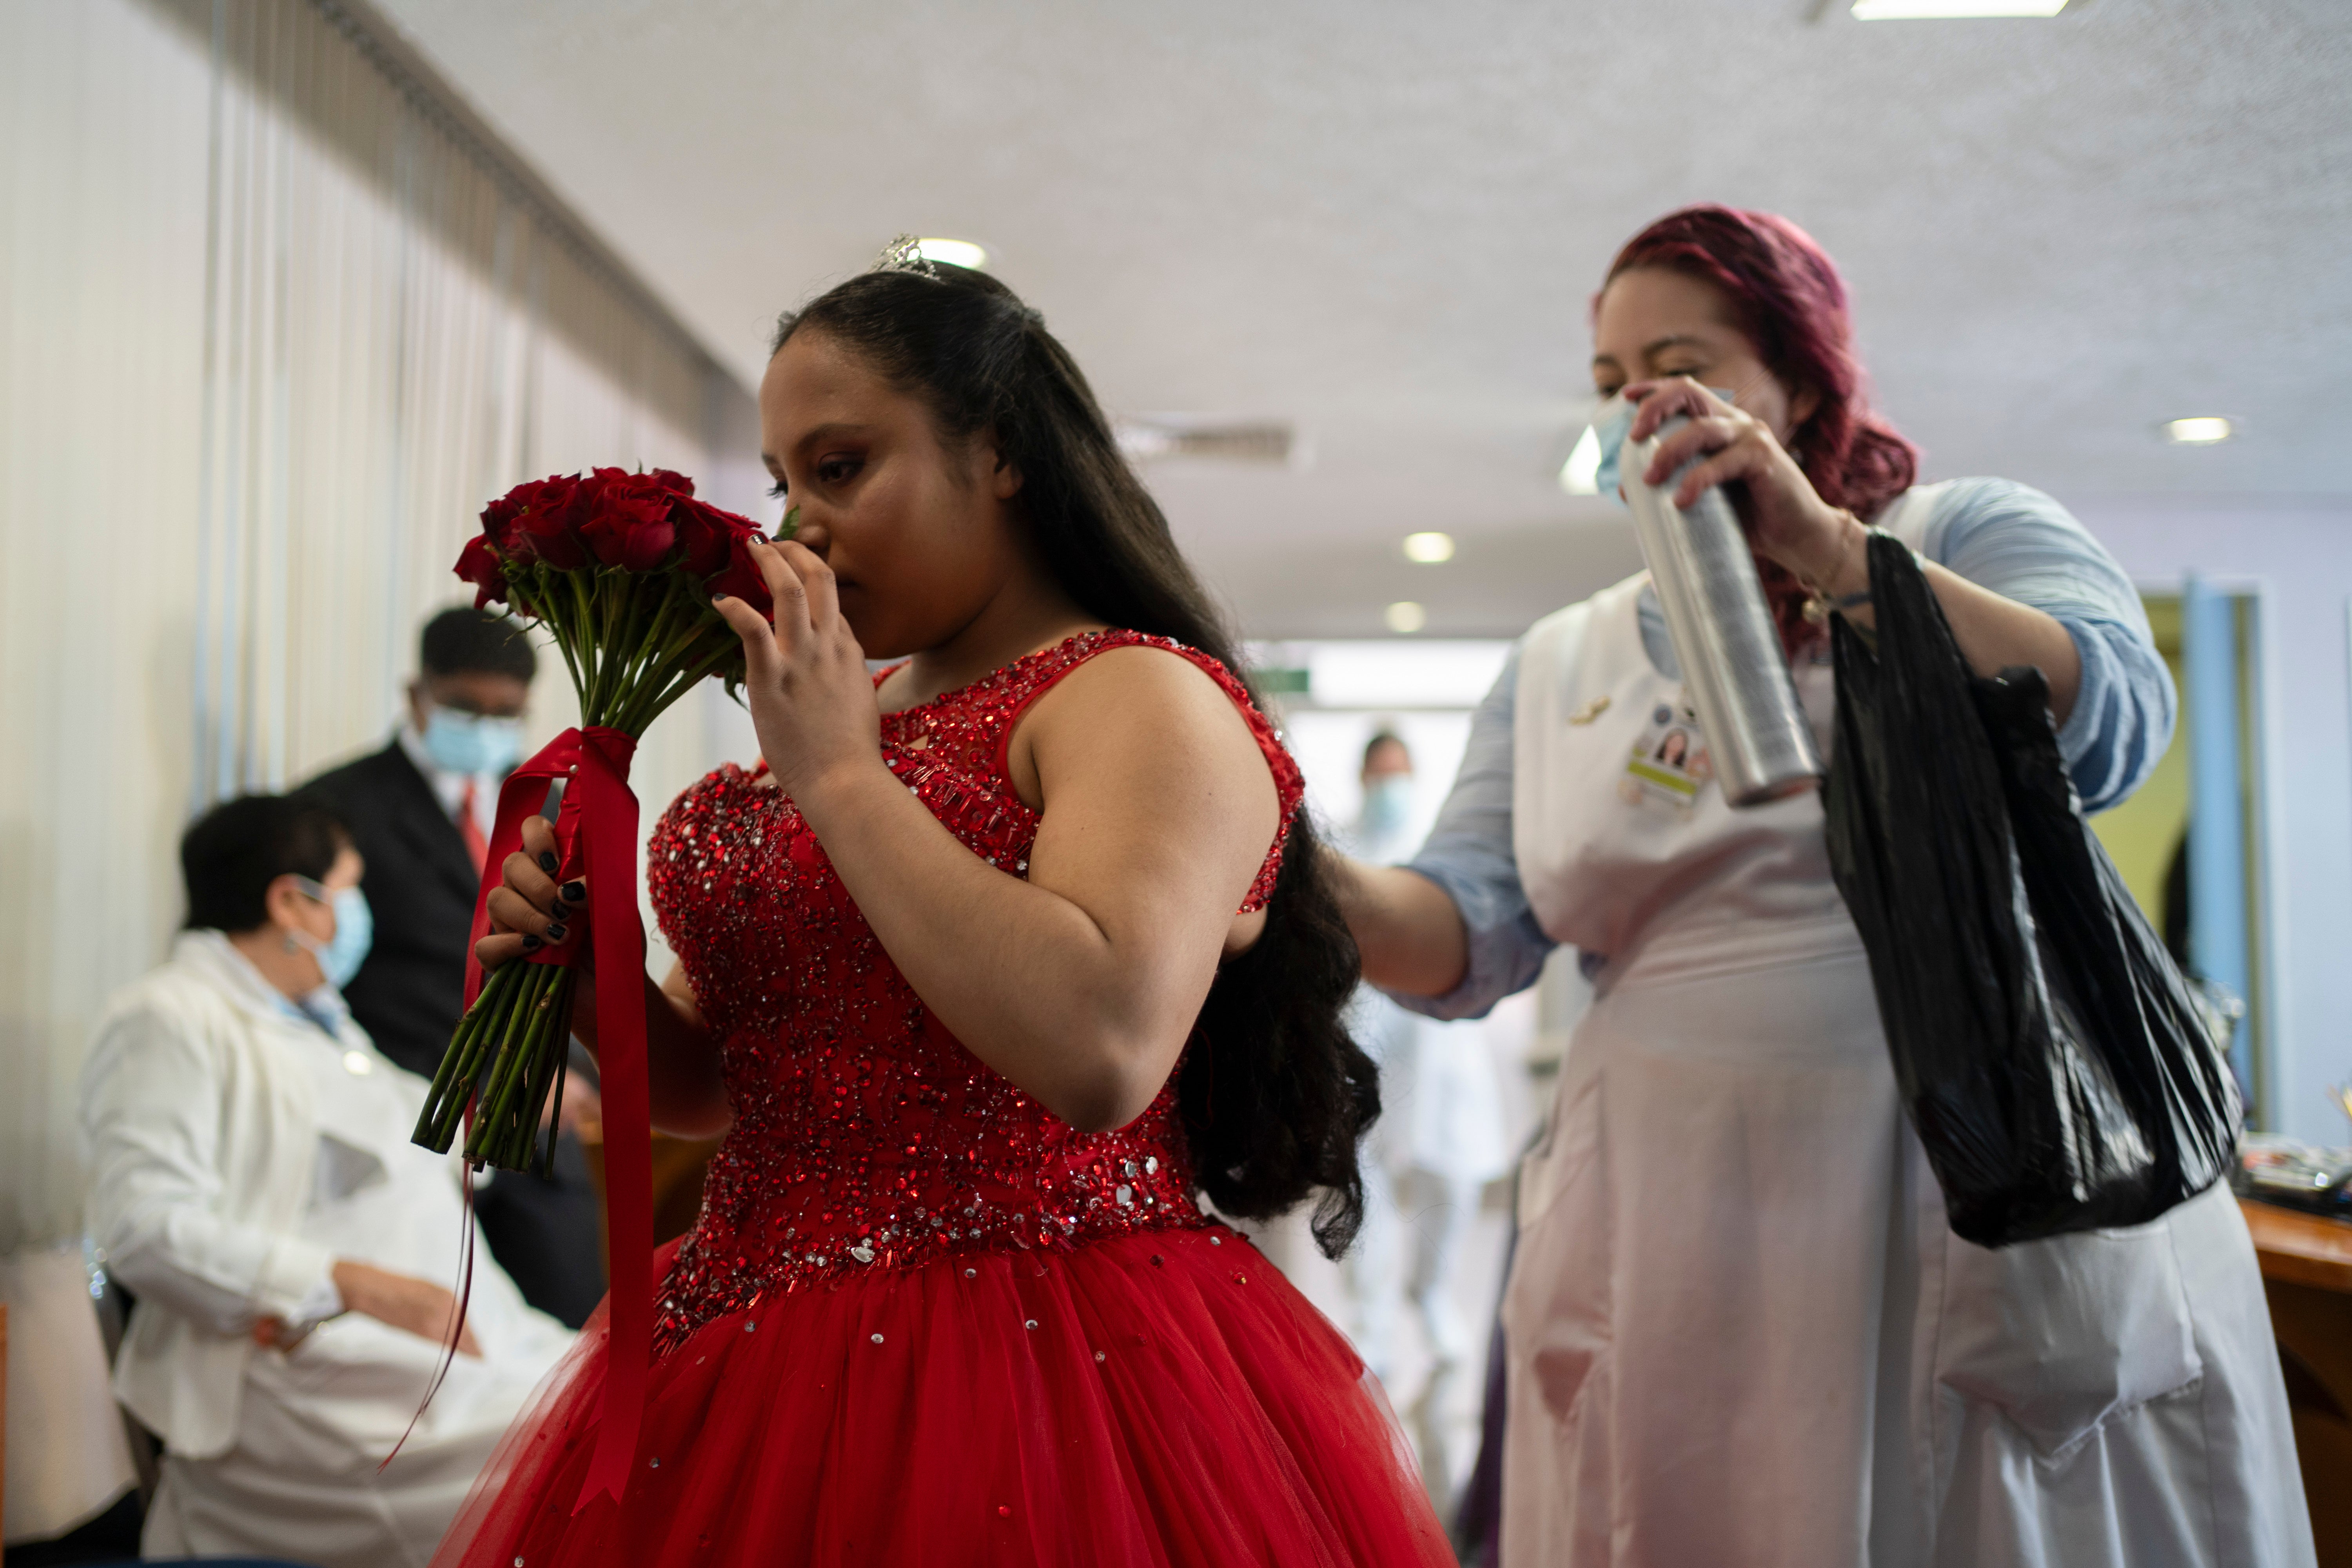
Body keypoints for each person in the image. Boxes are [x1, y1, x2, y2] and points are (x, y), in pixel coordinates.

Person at [430, 255, 1453, 1567]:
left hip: (1046, 1364)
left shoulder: (1135, 696)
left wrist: (843, 777)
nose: (798, 529)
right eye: (783, 483)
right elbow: (732, 1085)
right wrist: (593, 979)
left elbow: (1102, 1049)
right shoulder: (853, 711)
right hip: (745, 1343)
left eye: (843, 468)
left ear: (1005, 451)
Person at [1334, 205, 2312, 1567]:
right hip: (1669, 1195)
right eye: (1612, 386)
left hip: (1957, 1138)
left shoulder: (1958, 530)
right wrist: (1298, 866)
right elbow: (1468, 937)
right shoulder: (1565, 659)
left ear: (1799, 379)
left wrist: (1832, 554)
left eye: (1683, 365)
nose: (1640, 409)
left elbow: (2112, 718)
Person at [78, 794, 574, 1568]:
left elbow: (387, 1142)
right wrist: (355, 1282)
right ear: (290, 899)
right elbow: (142, 1225)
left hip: (457, 1343)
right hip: (317, 1379)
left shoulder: (321, 1018)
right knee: (595, 1458)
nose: (359, 912)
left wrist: (504, 1100)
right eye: (350, 886)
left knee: (654, 1405)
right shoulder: (171, 1016)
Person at [303, 606, 605, 1328]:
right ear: (419, 696)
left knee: (576, 1345)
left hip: (538, 1134)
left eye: (508, 714)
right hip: (413, 1131)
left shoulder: (550, 809)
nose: (488, 727)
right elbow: (320, 991)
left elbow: (561, 963)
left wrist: (577, 1073)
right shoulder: (336, 810)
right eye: (466, 708)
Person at [1338, 731, 1512, 1491]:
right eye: (1380, 774)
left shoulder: (1438, 844)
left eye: (1400, 772)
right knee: (1362, 1186)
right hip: (1369, 1044)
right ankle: (1373, 1322)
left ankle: (1432, 1299)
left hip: (1442, 1051)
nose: (1391, 785)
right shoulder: (1344, 847)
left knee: (1452, 1179)